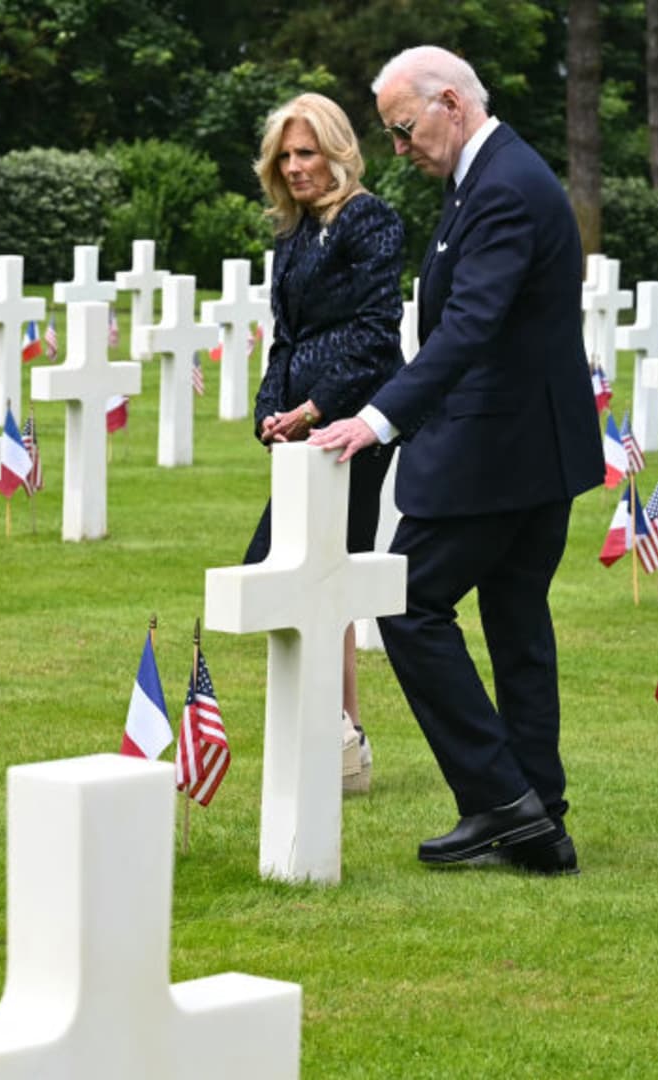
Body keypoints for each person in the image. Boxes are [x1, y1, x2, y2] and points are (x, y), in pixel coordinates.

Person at [308, 47, 601, 873]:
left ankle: (502, 802)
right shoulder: (492, 174)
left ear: (450, 104)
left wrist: (376, 420)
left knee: (405, 599)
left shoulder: (503, 186)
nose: (398, 149)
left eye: (403, 130)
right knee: (515, 620)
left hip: (497, 449)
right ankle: (538, 815)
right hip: (527, 446)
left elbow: (468, 327)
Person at [247, 92, 405, 796]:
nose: (295, 166)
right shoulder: (292, 234)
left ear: (338, 151)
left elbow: (377, 333)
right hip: (301, 427)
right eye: (285, 155)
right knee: (300, 570)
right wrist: (270, 410)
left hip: (350, 426)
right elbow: (287, 337)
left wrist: (315, 410)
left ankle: (340, 733)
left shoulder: (368, 221)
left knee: (314, 571)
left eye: (306, 152)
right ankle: (341, 733)